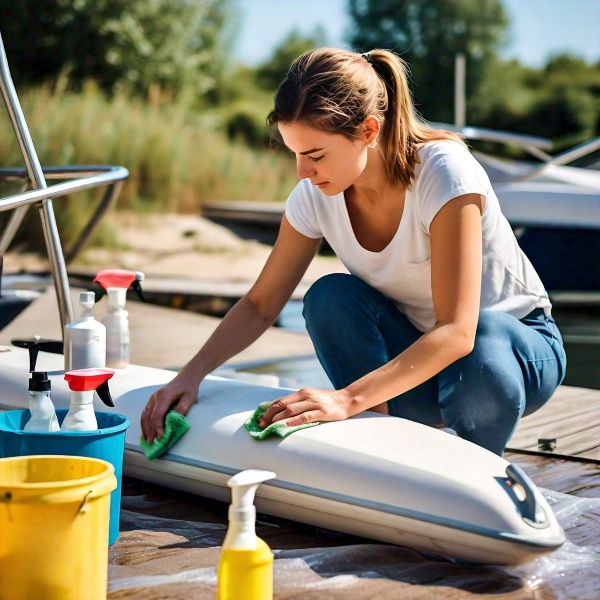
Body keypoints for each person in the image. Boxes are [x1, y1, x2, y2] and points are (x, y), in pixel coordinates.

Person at [140, 48, 566, 456]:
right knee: (329, 297)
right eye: (295, 154)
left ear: (368, 131)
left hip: (512, 357)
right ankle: (376, 442)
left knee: (483, 338)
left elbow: (457, 331)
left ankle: (475, 464)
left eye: (315, 155)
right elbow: (260, 303)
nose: (303, 172)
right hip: (421, 365)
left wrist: (345, 399)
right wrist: (191, 375)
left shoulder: (443, 172)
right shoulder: (314, 194)